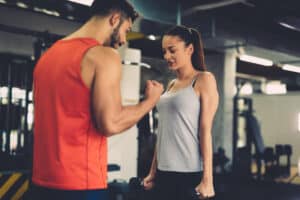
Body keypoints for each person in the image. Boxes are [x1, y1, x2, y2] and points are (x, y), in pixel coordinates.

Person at [30, 0, 164, 199]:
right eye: (126, 30)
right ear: (114, 19)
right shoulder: (103, 56)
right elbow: (111, 123)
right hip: (81, 185)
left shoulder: (48, 56)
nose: (123, 40)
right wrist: (149, 102)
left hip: (41, 185)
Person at [143, 25, 219, 200]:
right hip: (164, 172)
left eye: (172, 50)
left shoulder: (204, 80)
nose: (167, 56)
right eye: (164, 52)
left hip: (188, 173)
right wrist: (153, 171)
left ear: (189, 49)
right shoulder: (171, 84)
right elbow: (163, 132)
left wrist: (208, 179)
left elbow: (205, 131)